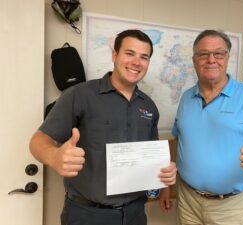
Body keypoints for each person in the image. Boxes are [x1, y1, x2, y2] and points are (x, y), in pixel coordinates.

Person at [29, 29, 177, 225]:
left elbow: (152, 156)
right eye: (129, 53)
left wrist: (165, 178)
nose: (136, 62)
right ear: (115, 55)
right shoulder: (79, 95)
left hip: (135, 214)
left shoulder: (148, 106)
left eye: (144, 57)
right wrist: (54, 156)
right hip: (87, 215)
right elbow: (38, 141)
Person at [159, 29, 243, 225]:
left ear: (227, 58)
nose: (211, 59)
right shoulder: (186, 97)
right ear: (194, 60)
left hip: (231, 207)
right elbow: (178, 142)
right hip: (187, 201)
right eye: (203, 54)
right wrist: (166, 186)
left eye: (218, 53)